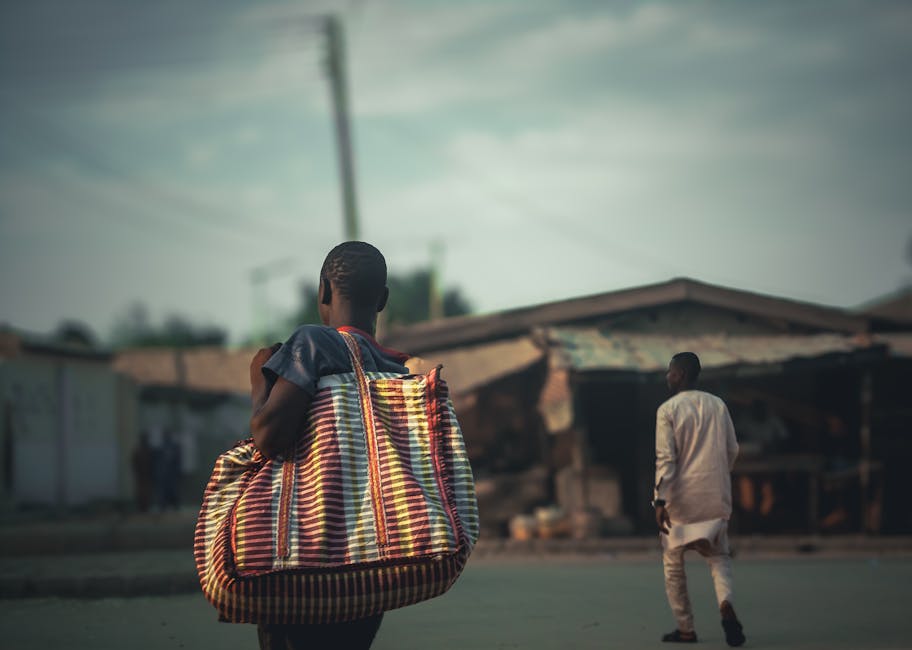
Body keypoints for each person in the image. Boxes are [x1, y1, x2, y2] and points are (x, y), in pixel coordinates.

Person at [248, 241, 410, 650]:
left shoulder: (313, 344)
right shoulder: (395, 367)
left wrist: (258, 382)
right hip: (371, 561)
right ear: (383, 300)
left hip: (306, 553)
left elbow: (267, 439)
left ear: (323, 291)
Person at [653, 352, 746, 647]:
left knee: (673, 562)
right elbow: (733, 450)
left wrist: (659, 500)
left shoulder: (667, 410)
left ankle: (685, 629)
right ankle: (725, 604)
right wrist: (718, 477)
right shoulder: (718, 405)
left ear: (680, 374)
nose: (667, 376)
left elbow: (666, 459)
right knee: (719, 558)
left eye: (670, 371)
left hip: (681, 500)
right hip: (715, 495)